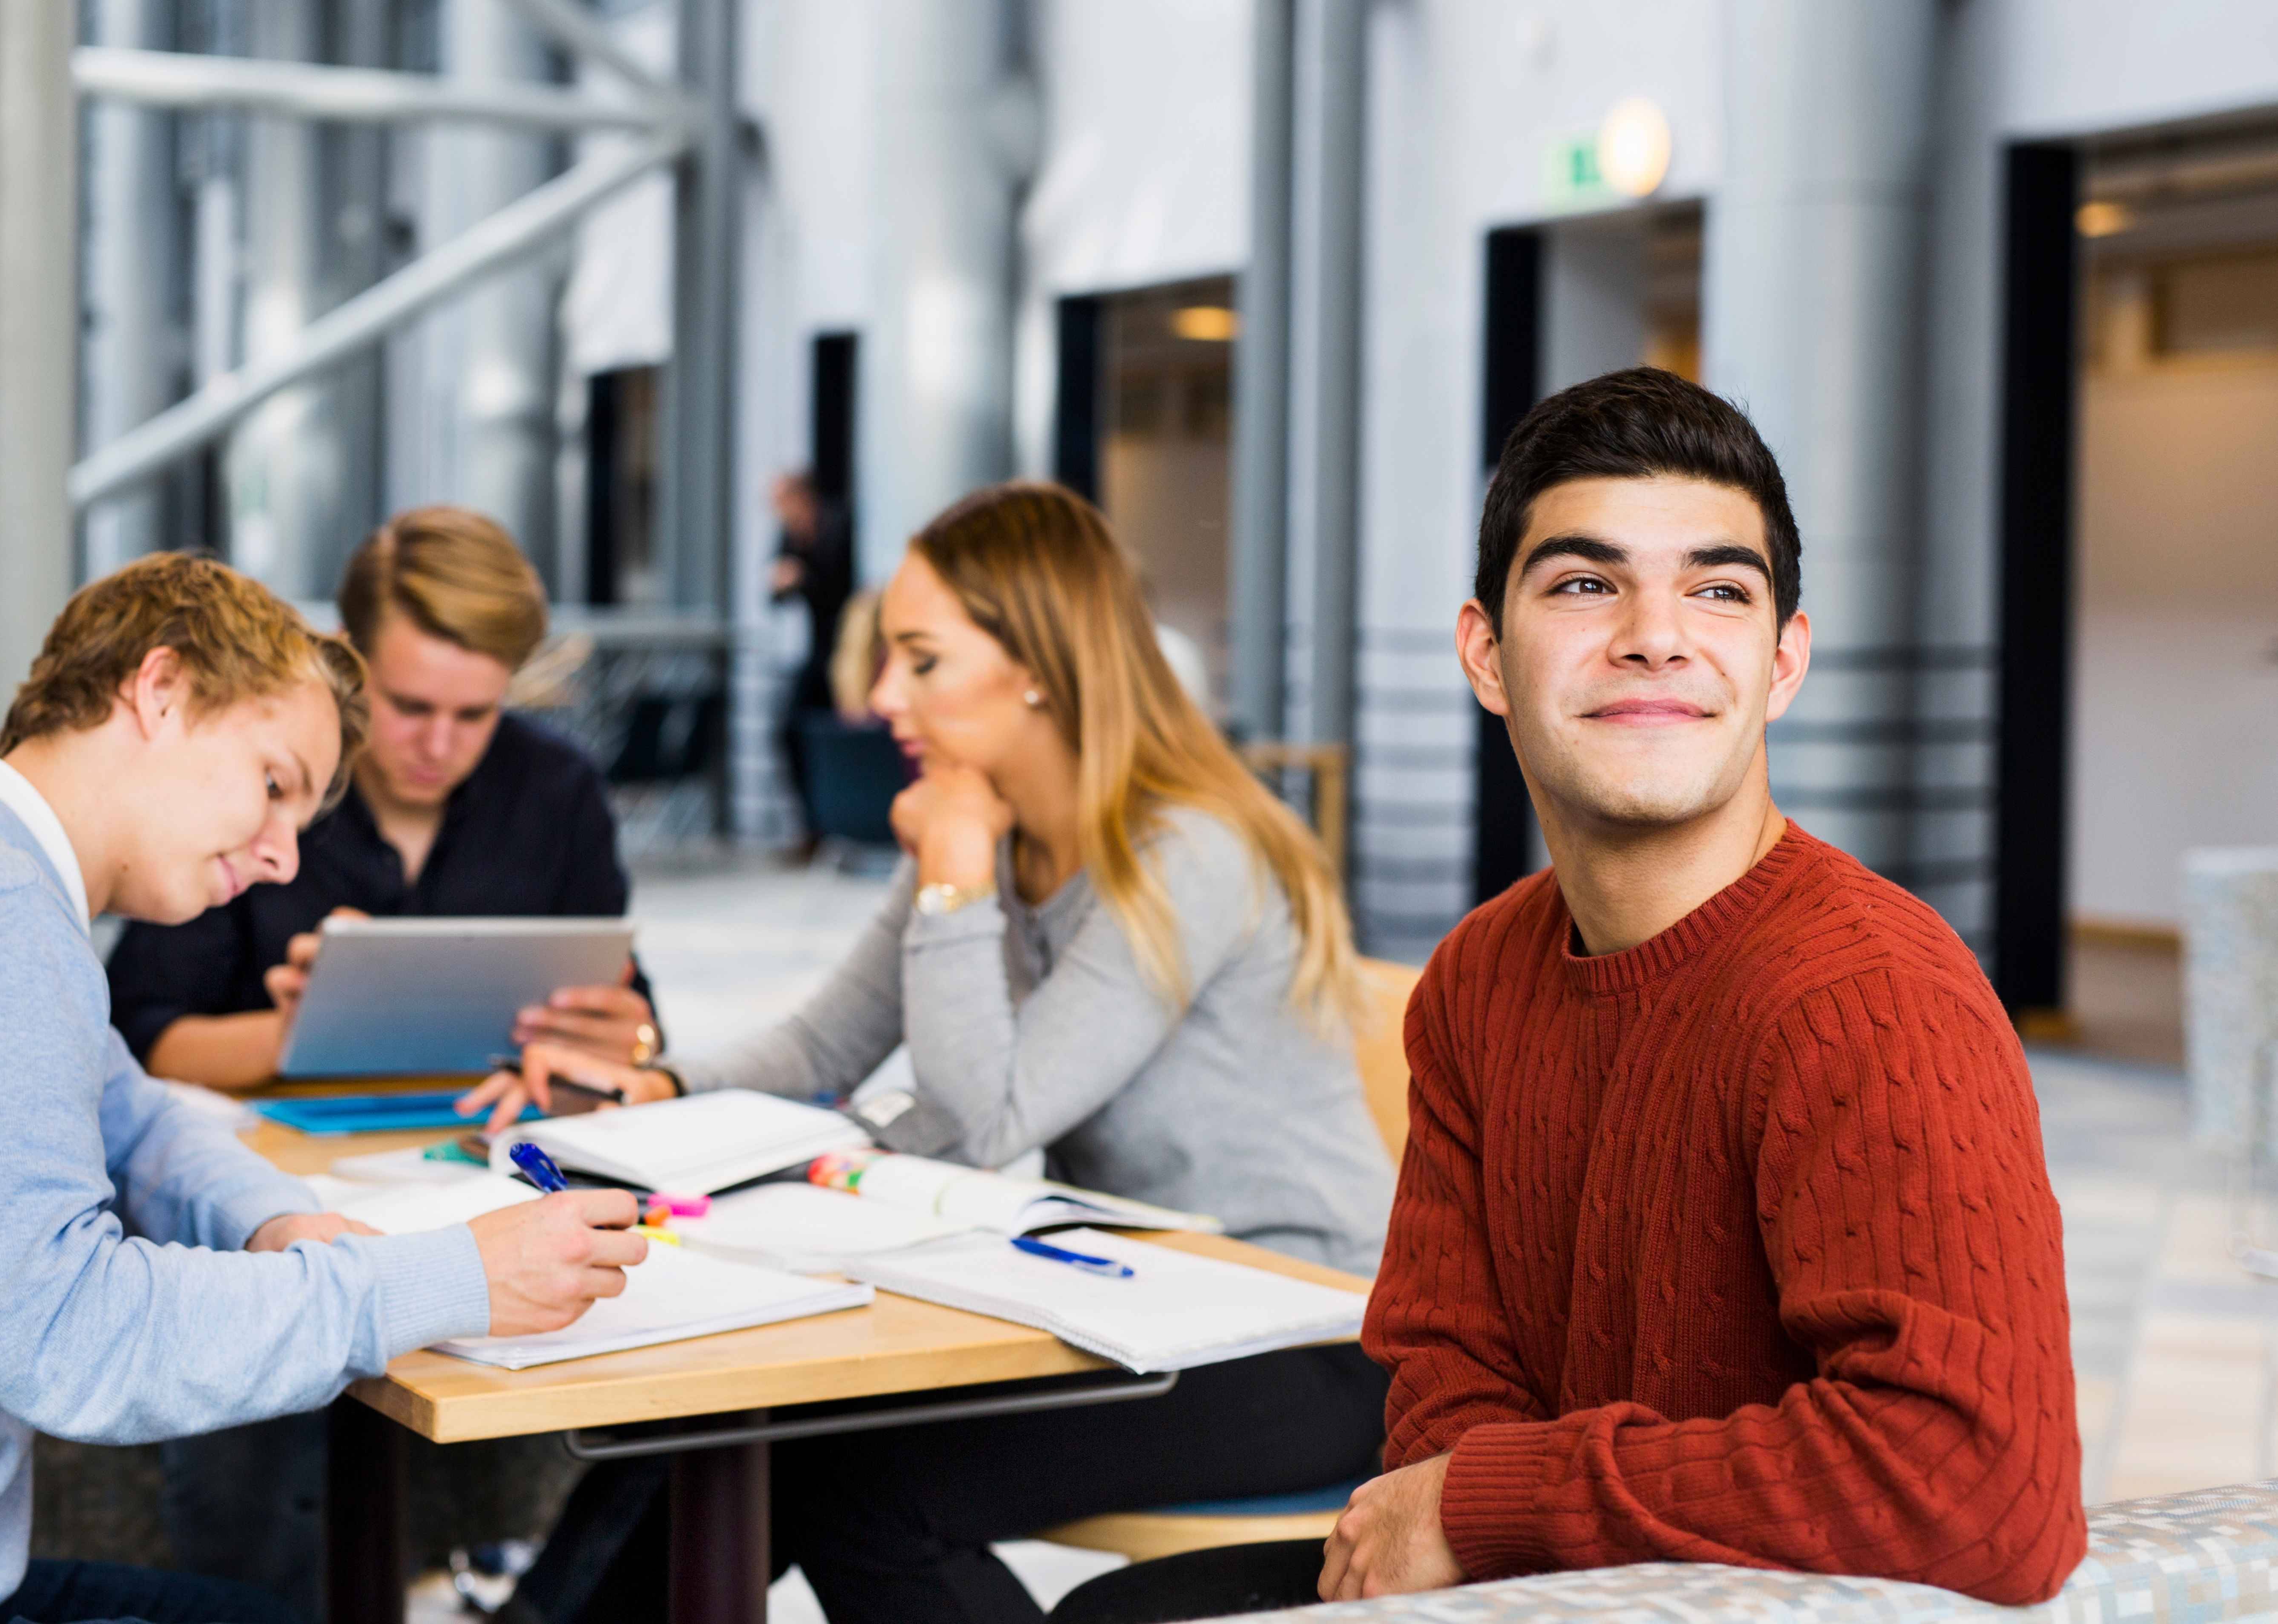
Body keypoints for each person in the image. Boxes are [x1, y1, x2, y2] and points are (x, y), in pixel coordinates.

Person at [459, 480, 1398, 1624]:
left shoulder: (1183, 850)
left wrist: (955, 880)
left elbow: (989, 1116)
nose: (876, 698)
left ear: (1039, 664)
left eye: (920, 661)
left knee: (856, 1486)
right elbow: (824, 1043)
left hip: (1300, 1336)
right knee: (742, 1425)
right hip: (1134, 1303)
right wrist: (650, 1087)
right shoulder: (981, 823)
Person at [1266, 367, 2078, 1609]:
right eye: (1586, 584)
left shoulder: (1866, 996)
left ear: (1782, 663)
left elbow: (1975, 1491)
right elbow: (1445, 1359)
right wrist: (1478, 1539)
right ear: (1484, 651)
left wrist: (1488, 1505)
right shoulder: (1478, 975)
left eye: (1716, 590)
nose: (1656, 632)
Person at [0, 553, 646, 1624]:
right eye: (274, 784)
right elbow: (73, 1340)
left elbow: (136, 1121)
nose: (279, 859)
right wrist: (440, 1277)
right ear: (160, 689)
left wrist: (276, 1217)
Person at [108, 505, 659, 1092]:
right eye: (411, 707)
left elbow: (636, 1018)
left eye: (475, 714)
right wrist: (300, 1031)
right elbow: (138, 1038)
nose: (439, 744)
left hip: (496, 1147)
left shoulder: (558, 789)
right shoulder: (256, 785)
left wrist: (633, 1040)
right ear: (348, 661)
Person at [768, 469, 856, 853]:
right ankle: (812, 826)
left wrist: (801, 578)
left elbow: (841, 586)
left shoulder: (838, 525)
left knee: (849, 733)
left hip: (851, 648)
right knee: (790, 731)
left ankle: (846, 825)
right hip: (819, 651)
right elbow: (776, 596)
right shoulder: (789, 534)